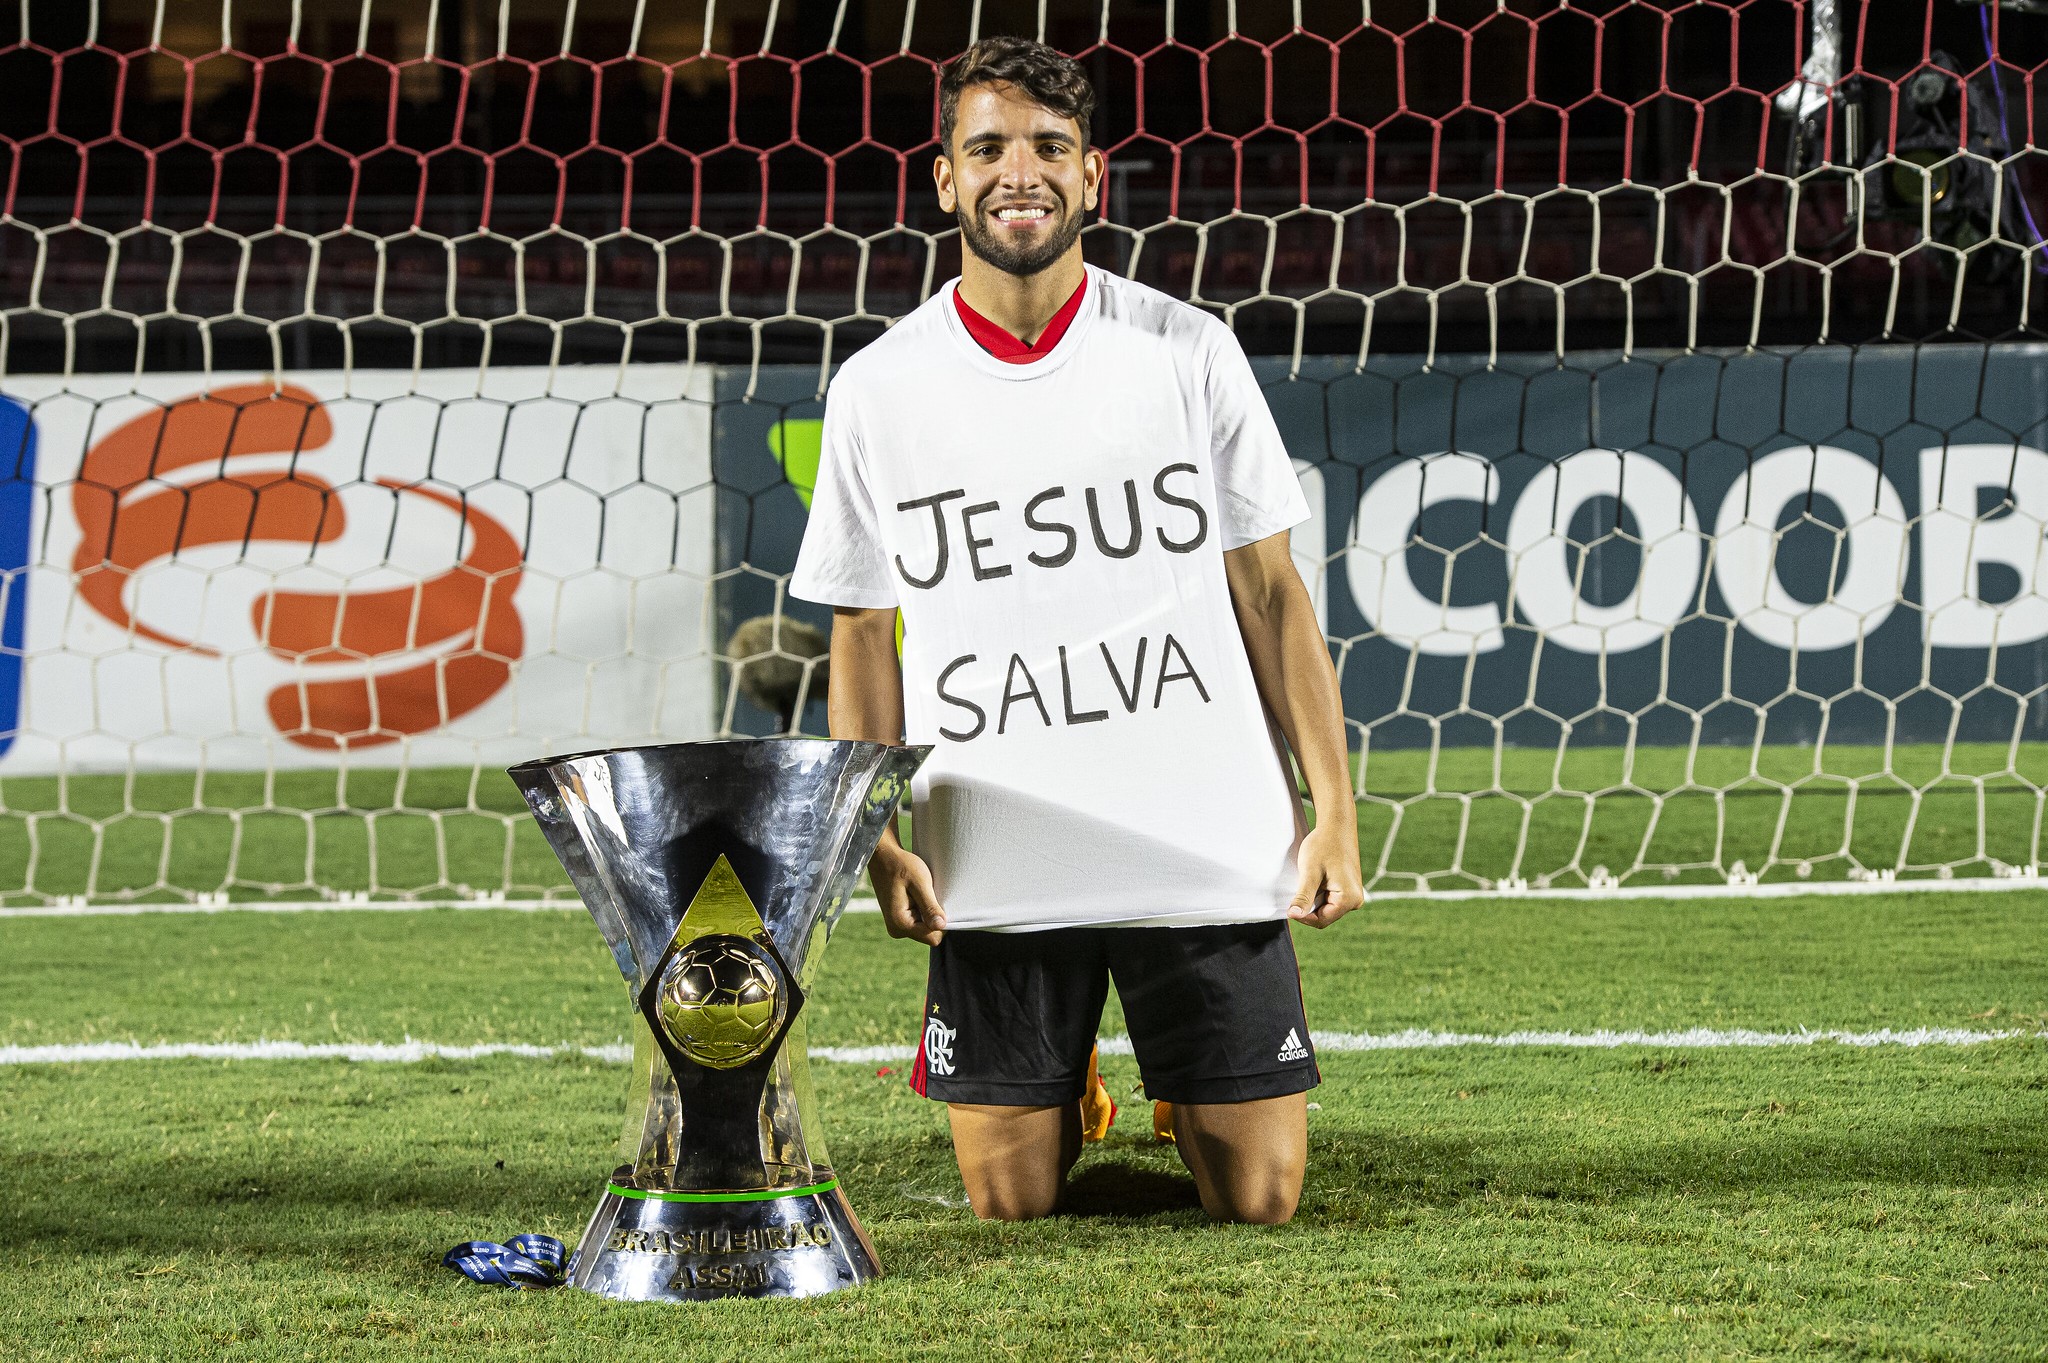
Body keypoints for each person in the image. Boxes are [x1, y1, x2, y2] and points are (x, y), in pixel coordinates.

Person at [789, 36, 1362, 1225]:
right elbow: (860, 633)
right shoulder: (877, 389)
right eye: (987, 146)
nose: (1020, 172)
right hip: (995, 850)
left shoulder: (1188, 352)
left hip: (1196, 838)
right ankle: (1073, 1081)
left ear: (1091, 177)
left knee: (1259, 1199)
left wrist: (1334, 815)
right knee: (1009, 1204)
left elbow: (1271, 597)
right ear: (943, 178)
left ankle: (1169, 1075)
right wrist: (876, 841)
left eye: (1050, 147)